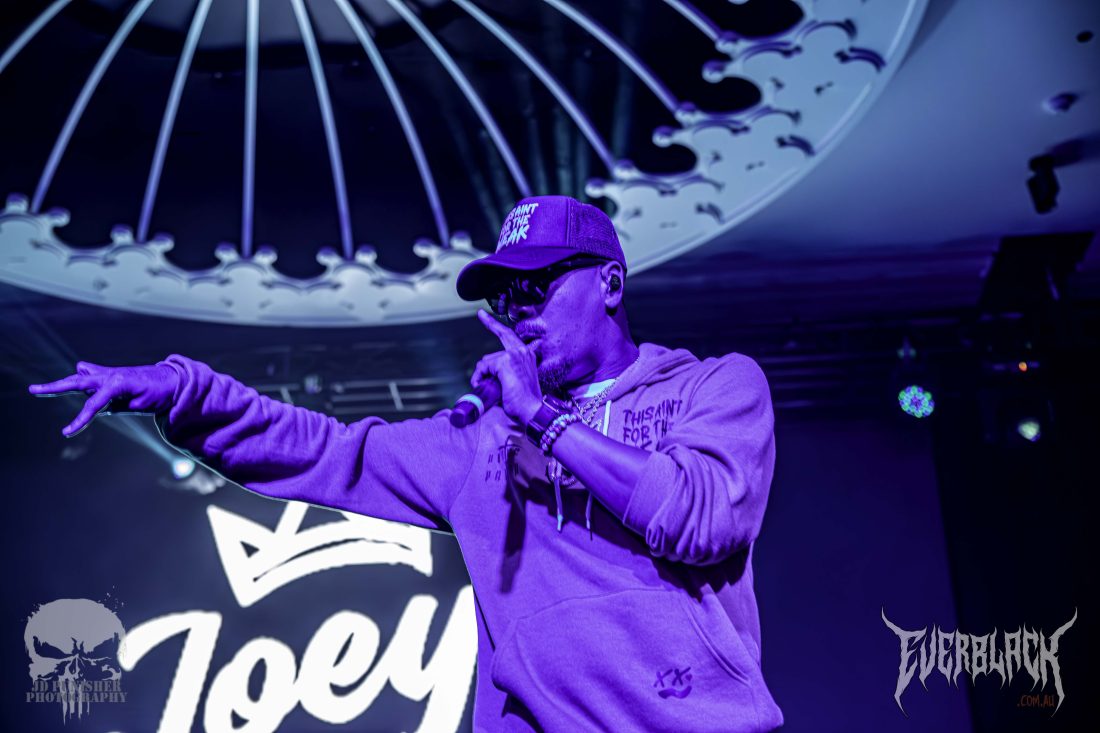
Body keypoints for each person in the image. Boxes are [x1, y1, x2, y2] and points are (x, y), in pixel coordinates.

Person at [29, 195, 784, 732]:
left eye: (536, 287)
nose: (519, 311)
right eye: (507, 298)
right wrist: (184, 391)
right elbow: (329, 451)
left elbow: (700, 518)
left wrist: (543, 419)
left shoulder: (716, 387)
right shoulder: (481, 443)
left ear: (609, 284)